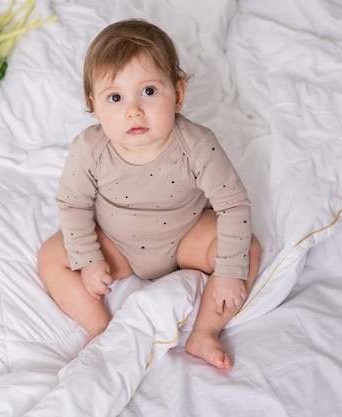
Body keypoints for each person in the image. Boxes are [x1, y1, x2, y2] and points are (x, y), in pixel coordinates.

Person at [37, 19, 261, 371]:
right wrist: (90, 258)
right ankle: (100, 329)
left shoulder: (197, 144)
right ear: (94, 106)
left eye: (149, 91)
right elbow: (73, 204)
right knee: (51, 257)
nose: (134, 110)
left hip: (185, 237)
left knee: (246, 247)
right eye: (115, 97)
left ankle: (205, 331)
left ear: (179, 94)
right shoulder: (89, 148)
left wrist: (230, 270)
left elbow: (233, 205)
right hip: (117, 244)